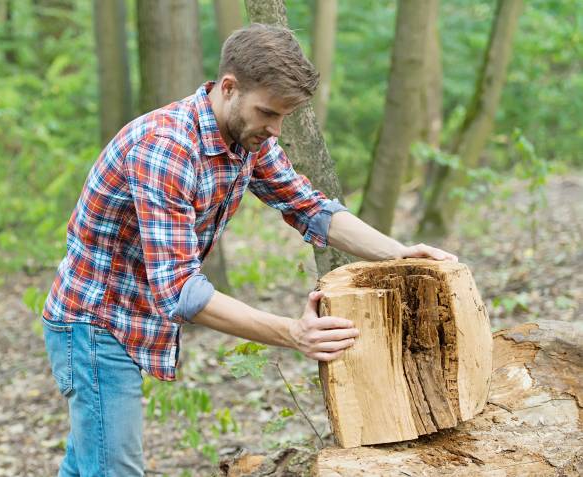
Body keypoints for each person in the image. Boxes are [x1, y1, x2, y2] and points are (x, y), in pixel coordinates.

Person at [41, 23, 457, 477]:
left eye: (283, 117)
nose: (275, 129)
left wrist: (400, 255)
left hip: (131, 314)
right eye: (267, 113)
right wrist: (291, 333)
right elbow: (180, 290)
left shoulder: (246, 138)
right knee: (112, 469)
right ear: (228, 87)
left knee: (87, 463)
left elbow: (311, 208)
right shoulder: (165, 150)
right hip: (96, 323)